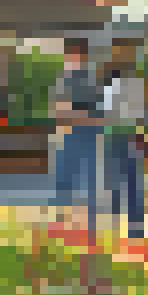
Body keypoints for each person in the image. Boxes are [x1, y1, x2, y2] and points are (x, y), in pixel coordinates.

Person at [51, 38, 106, 211]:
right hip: (72, 130)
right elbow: (59, 109)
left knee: (88, 173)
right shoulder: (66, 78)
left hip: (87, 131)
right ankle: (62, 210)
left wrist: (81, 117)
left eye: (76, 54)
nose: (73, 58)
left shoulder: (93, 79)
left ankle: (89, 212)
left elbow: (101, 110)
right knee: (66, 172)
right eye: (71, 54)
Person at [99, 54, 148, 240]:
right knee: (133, 185)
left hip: (113, 139)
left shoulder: (108, 90)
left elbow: (106, 118)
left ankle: (113, 229)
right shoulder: (134, 89)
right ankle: (135, 231)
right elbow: (140, 116)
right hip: (130, 138)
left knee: (114, 185)